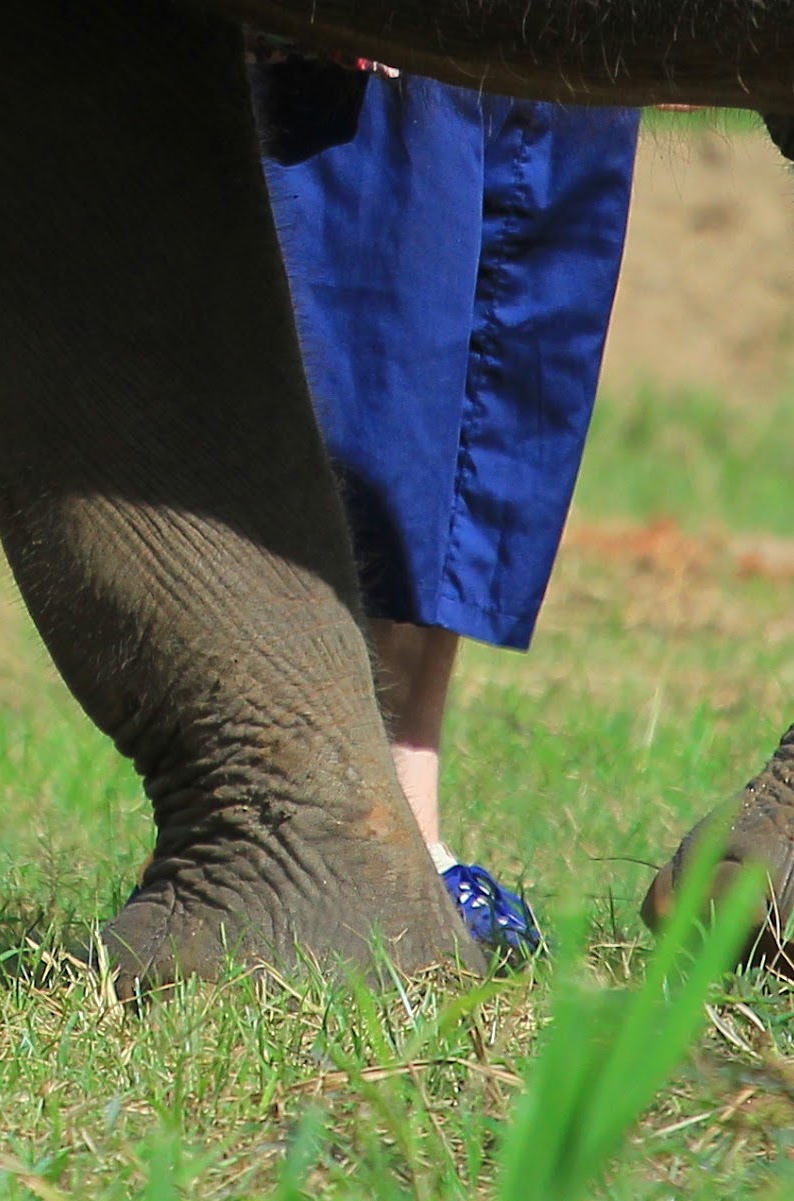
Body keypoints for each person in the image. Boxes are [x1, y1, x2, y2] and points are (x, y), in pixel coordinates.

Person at [253, 52, 647, 964]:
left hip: (552, 17)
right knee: (375, 365)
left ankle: (413, 829)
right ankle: (286, 818)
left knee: (491, 393)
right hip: (386, 32)